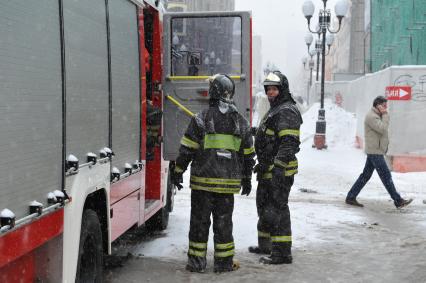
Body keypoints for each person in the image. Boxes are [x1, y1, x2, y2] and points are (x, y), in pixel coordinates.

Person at [171, 74, 255, 273]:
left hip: (202, 185)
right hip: (226, 187)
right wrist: (247, 177)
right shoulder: (240, 122)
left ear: (213, 92)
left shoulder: (201, 118)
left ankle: (196, 263)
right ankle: (224, 263)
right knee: (224, 224)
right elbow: (248, 154)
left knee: (199, 223)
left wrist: (178, 171)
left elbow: (186, 150)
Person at [248, 71, 303, 265]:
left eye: (274, 89)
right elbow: (273, 134)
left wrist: (279, 167)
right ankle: (265, 245)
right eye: (268, 89)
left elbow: (288, 142)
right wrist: (257, 132)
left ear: (282, 89)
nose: (271, 92)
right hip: (267, 169)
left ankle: (282, 253)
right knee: (263, 206)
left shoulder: (287, 110)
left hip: (279, 171)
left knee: (277, 210)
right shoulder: (276, 109)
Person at [346, 96, 413, 208]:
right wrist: (385, 115)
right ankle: (398, 200)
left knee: (365, 175)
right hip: (375, 151)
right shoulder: (372, 116)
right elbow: (382, 128)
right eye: (384, 105)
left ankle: (351, 196)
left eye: (386, 105)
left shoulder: (377, 115)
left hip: (375, 150)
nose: (386, 108)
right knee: (386, 176)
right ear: (377, 105)